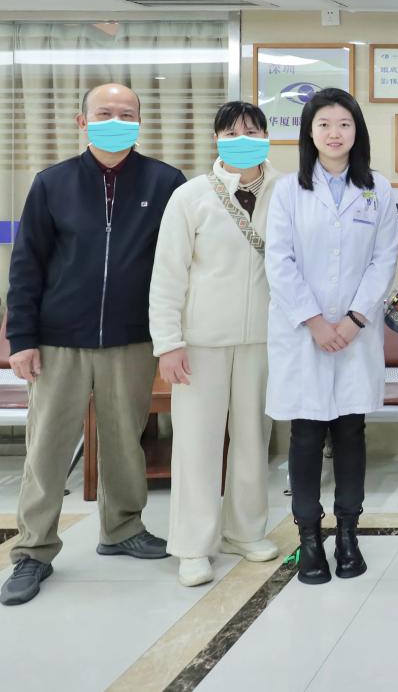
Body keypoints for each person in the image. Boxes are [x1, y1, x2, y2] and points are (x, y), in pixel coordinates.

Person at [0, 83, 187, 606]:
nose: (116, 121)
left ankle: (122, 528)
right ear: (82, 122)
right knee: (47, 447)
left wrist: (171, 335)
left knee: (125, 440)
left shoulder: (166, 182)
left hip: (132, 338)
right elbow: (26, 265)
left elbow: (177, 264)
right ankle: (33, 550)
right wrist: (22, 339)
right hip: (59, 339)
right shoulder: (52, 183)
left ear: (140, 122)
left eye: (127, 114)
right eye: (104, 113)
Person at [264, 87, 398, 585]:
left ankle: (347, 535)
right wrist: (316, 322)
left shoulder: (377, 188)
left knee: (350, 432)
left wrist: (354, 320)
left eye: (344, 123)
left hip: (355, 332)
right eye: (324, 124)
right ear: (309, 132)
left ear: (357, 131)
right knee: (305, 434)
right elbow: (279, 261)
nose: (335, 133)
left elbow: (384, 259)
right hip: (305, 333)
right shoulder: (288, 190)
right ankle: (308, 538)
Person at [149, 101, 282, 587]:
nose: (242, 140)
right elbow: (168, 274)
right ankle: (192, 544)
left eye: (252, 132)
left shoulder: (286, 192)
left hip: (263, 339)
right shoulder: (191, 196)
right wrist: (168, 343)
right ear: (217, 140)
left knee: (253, 439)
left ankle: (245, 531)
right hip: (199, 342)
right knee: (196, 442)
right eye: (231, 133)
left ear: (267, 137)